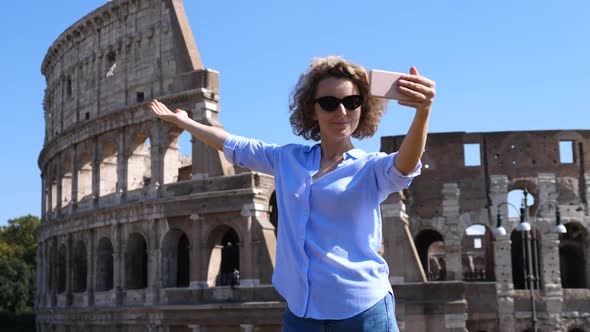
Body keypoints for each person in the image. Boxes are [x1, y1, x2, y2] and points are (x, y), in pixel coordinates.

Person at [150, 56, 435, 332]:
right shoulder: (288, 159)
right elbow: (233, 144)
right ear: (313, 110)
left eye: (352, 102)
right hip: (301, 312)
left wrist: (423, 113)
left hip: (361, 311)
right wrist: (185, 122)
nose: (342, 112)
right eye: (329, 103)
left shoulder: (371, 167)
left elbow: (405, 165)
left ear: (363, 107)